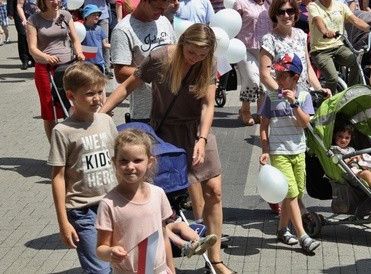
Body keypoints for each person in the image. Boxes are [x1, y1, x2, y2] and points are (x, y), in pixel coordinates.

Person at [100, 24, 236, 274]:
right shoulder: (159, 58)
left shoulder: (210, 63)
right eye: (191, 52)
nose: (195, 58)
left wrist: (202, 140)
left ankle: (216, 260)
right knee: (159, 199)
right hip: (166, 133)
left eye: (201, 54)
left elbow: (208, 105)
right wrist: (101, 114)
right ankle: (154, 261)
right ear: (183, 41)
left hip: (197, 130)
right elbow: (127, 86)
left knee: (214, 191)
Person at [48, 62, 116, 274]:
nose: (97, 98)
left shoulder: (106, 121)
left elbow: (118, 161)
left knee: (121, 261)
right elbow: (57, 178)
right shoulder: (62, 131)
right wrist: (63, 222)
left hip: (113, 205)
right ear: (71, 95)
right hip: (83, 211)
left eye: (100, 92)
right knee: (99, 270)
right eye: (89, 94)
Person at [258, 53, 321, 253]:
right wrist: (266, 150)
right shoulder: (271, 97)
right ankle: (303, 236)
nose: (277, 80)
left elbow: (304, 124)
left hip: (299, 150)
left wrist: (294, 104)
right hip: (279, 151)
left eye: (282, 76)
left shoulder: (304, 96)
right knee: (291, 193)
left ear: (295, 77)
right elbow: (263, 126)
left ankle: (282, 229)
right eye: (276, 75)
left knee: (296, 192)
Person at [95, 129, 176, 273]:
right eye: (124, 161)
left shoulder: (158, 194)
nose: (130, 167)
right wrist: (110, 252)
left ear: (149, 161)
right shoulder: (109, 203)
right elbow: (101, 248)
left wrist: (171, 269)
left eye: (137, 160)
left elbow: (164, 238)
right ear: (114, 162)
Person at [111, 0, 175, 123]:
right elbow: (120, 74)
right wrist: (154, 72)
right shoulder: (123, 30)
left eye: (165, 9)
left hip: (172, 107)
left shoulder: (163, 21)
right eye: (158, 8)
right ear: (144, 0)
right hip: (145, 112)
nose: (162, 13)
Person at [27, 0, 85, 141]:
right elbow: (32, 48)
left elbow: (75, 38)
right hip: (46, 69)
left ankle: (73, 141)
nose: (56, 2)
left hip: (67, 66)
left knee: (71, 103)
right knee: (49, 108)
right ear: (43, 0)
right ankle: (55, 147)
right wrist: (45, 57)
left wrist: (79, 52)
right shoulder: (34, 20)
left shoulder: (65, 15)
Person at [308, 0, 371, 92]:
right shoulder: (313, 6)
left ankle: (350, 93)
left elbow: (355, 20)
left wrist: (370, 28)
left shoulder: (340, 5)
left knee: (356, 62)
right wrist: (325, 31)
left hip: (338, 47)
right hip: (320, 50)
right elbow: (318, 20)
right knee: (333, 79)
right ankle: (326, 105)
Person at [232, 0, 272, 127]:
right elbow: (233, 24)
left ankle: (261, 112)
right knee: (252, 79)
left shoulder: (269, 2)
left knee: (263, 82)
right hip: (245, 47)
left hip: (264, 49)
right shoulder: (241, 2)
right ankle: (245, 109)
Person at [15, 0, 42, 67]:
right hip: (31, 22)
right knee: (34, 45)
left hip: (45, 21)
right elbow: (19, 6)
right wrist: (23, 19)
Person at [82, 4, 109, 71]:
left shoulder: (99, 29)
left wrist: (116, 46)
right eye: (94, 14)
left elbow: (105, 44)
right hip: (86, 64)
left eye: (98, 15)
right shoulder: (81, 29)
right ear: (86, 16)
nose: (97, 17)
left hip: (99, 62)